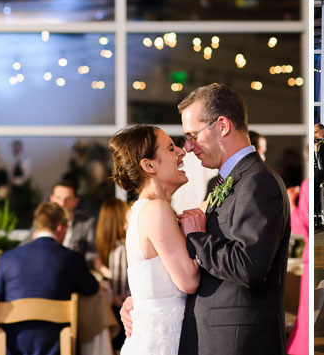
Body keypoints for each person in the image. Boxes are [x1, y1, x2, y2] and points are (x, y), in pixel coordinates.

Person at [123, 83, 291, 355]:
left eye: (192, 135)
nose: (187, 148)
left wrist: (198, 238)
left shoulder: (258, 181)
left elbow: (249, 267)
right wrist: (143, 299)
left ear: (222, 126)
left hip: (236, 341)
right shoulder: (228, 182)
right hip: (211, 337)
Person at [109, 125, 200, 354]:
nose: (181, 152)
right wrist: (199, 235)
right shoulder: (156, 210)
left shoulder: (144, 210)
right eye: (171, 148)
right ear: (149, 166)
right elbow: (188, 282)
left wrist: (134, 301)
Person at [0, 202, 99, 355]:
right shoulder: (71, 259)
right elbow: (92, 288)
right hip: (57, 347)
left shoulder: (8, 258)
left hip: (13, 347)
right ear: (60, 228)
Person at [95, 198, 130, 350]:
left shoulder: (108, 250)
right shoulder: (122, 249)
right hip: (124, 314)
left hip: (111, 316)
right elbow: (121, 294)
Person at [49, 180, 98, 268]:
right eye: (58, 198)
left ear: (76, 201)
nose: (62, 203)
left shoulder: (87, 223)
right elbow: (26, 246)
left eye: (67, 199)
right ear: (51, 199)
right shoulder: (44, 220)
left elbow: (92, 255)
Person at [287, 179, 309, 355]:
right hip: (307, 259)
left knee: (305, 320)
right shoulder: (307, 185)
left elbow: (300, 226)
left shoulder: (308, 185)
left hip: (308, 259)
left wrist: (290, 203)